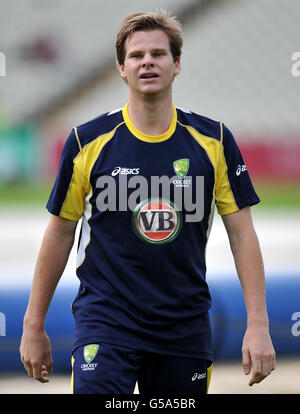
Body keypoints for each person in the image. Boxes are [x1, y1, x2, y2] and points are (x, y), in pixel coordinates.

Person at [20, 10, 275, 394]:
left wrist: (258, 326)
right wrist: (32, 326)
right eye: (137, 55)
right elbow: (59, 235)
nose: (148, 62)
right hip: (105, 323)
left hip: (183, 328)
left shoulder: (215, 141)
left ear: (176, 64)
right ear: (122, 68)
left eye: (158, 53)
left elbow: (243, 236)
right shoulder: (85, 142)